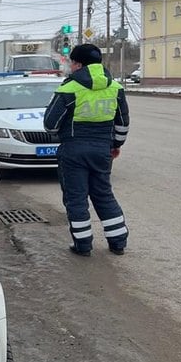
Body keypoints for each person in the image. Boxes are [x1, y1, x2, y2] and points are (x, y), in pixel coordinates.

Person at [43, 42, 130, 256]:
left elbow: (49, 124)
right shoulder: (115, 88)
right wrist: (116, 145)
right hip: (102, 151)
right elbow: (123, 123)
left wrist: (63, 133)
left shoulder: (69, 88)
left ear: (78, 64)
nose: (71, 66)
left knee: (76, 198)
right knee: (103, 194)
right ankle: (118, 242)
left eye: (72, 62)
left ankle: (83, 246)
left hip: (73, 151)